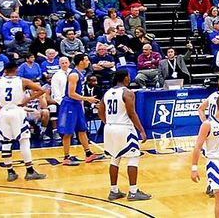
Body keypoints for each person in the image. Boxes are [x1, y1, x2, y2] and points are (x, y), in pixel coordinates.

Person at [0, 60, 48, 181]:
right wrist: (26, 100)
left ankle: (10, 172)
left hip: (3, 112)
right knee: (24, 141)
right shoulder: (23, 81)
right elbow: (41, 90)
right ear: (17, 70)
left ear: (5, 71)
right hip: (17, 111)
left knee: (6, 142)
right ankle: (30, 171)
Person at [101, 70, 152, 201]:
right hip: (124, 128)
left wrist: (109, 122)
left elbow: (100, 111)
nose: (130, 78)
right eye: (128, 76)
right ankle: (133, 192)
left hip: (110, 127)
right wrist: (141, 130)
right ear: (125, 78)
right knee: (134, 156)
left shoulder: (107, 93)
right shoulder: (127, 92)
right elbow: (131, 113)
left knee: (114, 158)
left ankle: (114, 191)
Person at [58, 54, 103, 165]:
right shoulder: (74, 75)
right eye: (86, 60)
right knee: (68, 132)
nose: (88, 62)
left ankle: (88, 154)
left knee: (82, 129)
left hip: (77, 104)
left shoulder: (81, 74)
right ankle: (66, 158)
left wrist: (82, 103)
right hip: (69, 105)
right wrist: (87, 99)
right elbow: (71, 94)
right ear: (81, 62)